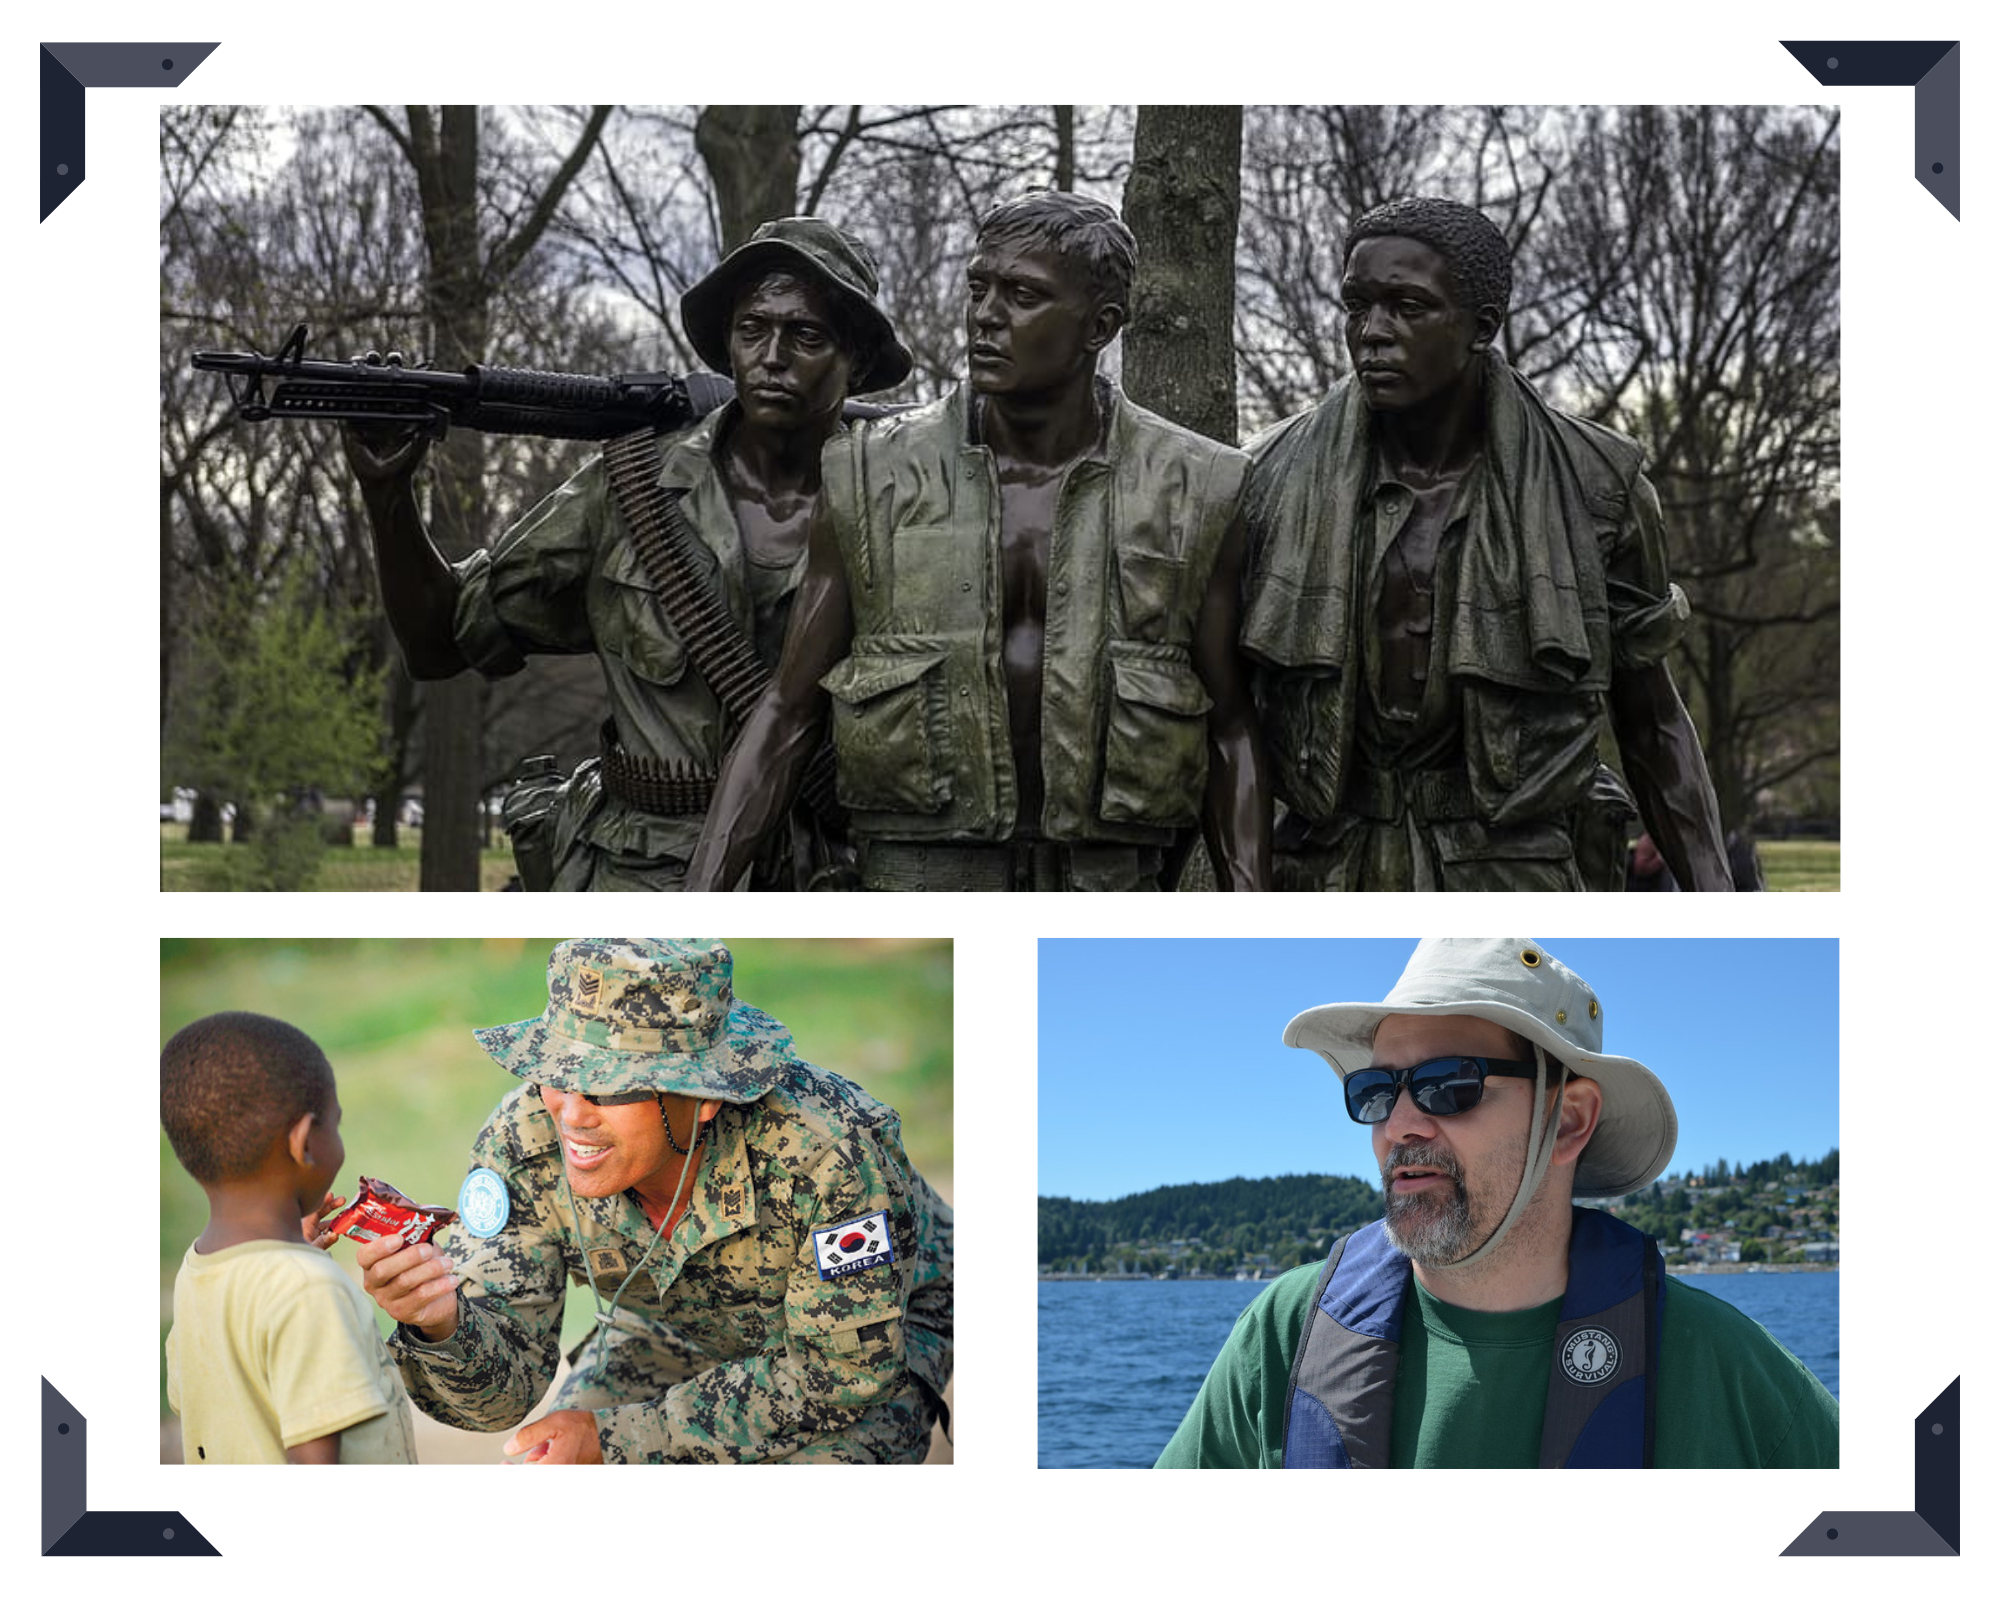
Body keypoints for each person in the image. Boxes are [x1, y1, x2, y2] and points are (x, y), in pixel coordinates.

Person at [686, 192, 1269, 891]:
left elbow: (1233, 725)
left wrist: (1248, 910)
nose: (986, 316)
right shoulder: (869, 473)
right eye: (978, 287)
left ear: (1100, 325)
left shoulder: (1199, 486)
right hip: (919, 887)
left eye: (1023, 295)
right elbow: (786, 712)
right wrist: (700, 899)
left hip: (1110, 890)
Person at [344, 218, 912, 889]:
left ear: (859, 361)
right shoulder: (631, 487)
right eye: (752, 329)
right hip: (638, 872)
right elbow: (439, 643)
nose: (772, 355)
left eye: (807, 335)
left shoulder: (905, 506)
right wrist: (387, 497)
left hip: (837, 876)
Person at [1156, 938, 1837, 1468]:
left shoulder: (1721, 1369)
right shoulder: (1284, 1336)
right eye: (1374, 1091)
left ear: (1568, 1121)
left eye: (1448, 1084)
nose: (1399, 1124)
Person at [1240, 197, 1733, 891]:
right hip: (1323, 867)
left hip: (1517, 867)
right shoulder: (1266, 477)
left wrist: (1721, 904)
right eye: (1358, 305)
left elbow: (1651, 719)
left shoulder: (1598, 488)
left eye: (1408, 307)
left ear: (1481, 327)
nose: (1372, 333)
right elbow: (1228, 720)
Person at [361, 938, 952, 1464]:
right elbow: (499, 1401)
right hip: (671, 1329)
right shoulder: (526, 1140)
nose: (571, 1114)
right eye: (556, 1075)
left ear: (704, 1096)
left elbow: (840, 1374)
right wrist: (441, 1323)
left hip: (876, 1332)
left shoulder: (825, 1155)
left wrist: (621, 1440)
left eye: (608, 1087)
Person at [161, 1012, 416, 1465]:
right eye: (334, 1123)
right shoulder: (307, 1289)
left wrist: (290, 1262)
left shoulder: (196, 1270)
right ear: (304, 1142)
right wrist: (297, 1277)